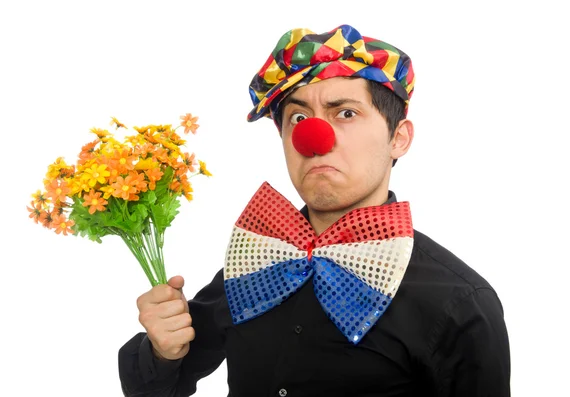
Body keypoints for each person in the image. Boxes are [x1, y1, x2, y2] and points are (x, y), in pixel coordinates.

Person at [118, 24, 511, 396]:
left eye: (346, 113)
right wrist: (163, 350)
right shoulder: (256, 262)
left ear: (399, 138)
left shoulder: (462, 303)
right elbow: (160, 388)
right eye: (299, 118)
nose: (313, 138)